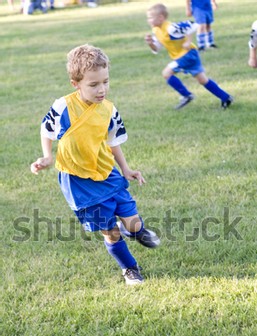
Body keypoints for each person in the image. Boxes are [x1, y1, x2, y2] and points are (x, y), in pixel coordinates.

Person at [31, 44, 160, 285]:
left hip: (106, 172)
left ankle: (135, 230)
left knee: (133, 222)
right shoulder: (63, 107)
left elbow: (113, 142)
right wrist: (47, 157)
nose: (102, 90)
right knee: (109, 231)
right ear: (75, 83)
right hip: (78, 181)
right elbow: (46, 130)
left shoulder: (109, 109)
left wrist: (126, 169)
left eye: (105, 82)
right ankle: (130, 268)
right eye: (93, 85)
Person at [145, 3, 233, 110]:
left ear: (160, 18)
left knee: (166, 73)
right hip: (185, 56)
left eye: (150, 17)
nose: (148, 20)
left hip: (188, 55)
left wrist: (188, 41)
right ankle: (225, 97)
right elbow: (157, 48)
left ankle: (186, 95)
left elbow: (193, 25)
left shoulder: (171, 28)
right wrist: (150, 43)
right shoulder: (157, 30)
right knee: (202, 80)